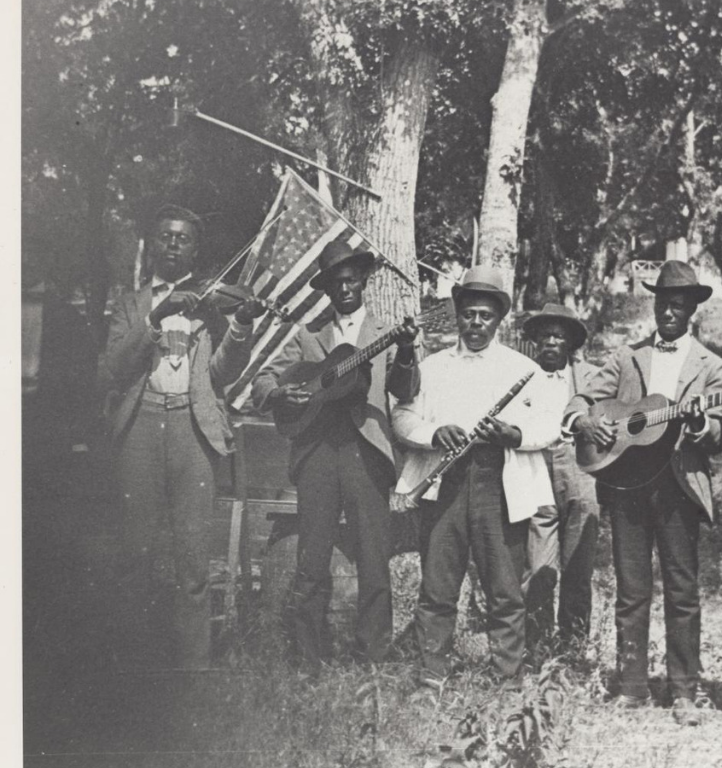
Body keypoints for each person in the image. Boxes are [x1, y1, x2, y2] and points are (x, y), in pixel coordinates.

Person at [563, 261, 722, 726]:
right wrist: (585, 421)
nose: (669, 312)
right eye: (663, 303)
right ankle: (631, 687)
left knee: (682, 592)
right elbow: (582, 398)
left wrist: (699, 422)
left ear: (692, 310)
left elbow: (720, 432)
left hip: (679, 487)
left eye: (678, 305)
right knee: (631, 591)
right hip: (627, 487)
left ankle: (684, 692)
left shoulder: (711, 365)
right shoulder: (627, 356)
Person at [102, 204, 265, 671]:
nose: (173, 244)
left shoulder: (210, 303)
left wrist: (242, 325)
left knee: (194, 558)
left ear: (195, 248)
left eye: (183, 238)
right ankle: (131, 665)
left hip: (192, 430)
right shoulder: (131, 301)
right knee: (135, 551)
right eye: (166, 236)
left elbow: (222, 376)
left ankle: (193, 670)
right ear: (153, 244)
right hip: (140, 426)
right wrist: (157, 318)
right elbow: (112, 369)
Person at [251, 241, 419, 671]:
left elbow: (406, 391)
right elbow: (264, 378)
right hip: (318, 451)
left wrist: (404, 350)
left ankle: (372, 659)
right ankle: (307, 658)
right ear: (326, 288)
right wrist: (278, 392)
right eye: (335, 282)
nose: (344, 288)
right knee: (312, 559)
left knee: (373, 558)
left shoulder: (385, 332)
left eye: (351, 280)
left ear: (363, 281)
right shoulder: (309, 334)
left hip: (366, 452)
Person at [393, 266, 559, 695]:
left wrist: (514, 435)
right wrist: (434, 433)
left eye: (485, 315)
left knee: (504, 586)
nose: (476, 323)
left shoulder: (525, 369)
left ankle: (507, 679)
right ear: (457, 315)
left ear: (499, 318)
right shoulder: (433, 366)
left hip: (499, 483)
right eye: (468, 314)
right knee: (438, 584)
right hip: (445, 481)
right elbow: (402, 416)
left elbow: (549, 425)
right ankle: (432, 675)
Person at [520, 303, 601, 651]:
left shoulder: (592, 377)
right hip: (536, 468)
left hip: (580, 470)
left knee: (578, 568)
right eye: (545, 336)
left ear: (570, 343)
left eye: (559, 336)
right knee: (538, 568)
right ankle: (536, 648)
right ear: (536, 341)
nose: (551, 342)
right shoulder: (522, 376)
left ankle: (573, 649)